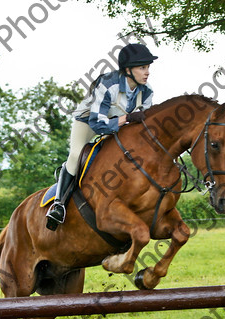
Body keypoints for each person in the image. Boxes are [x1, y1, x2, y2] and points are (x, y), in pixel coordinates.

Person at [46, 43, 158, 230]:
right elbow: (98, 124)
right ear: (128, 70)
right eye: (142, 68)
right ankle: (59, 205)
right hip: (88, 122)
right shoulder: (108, 84)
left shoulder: (146, 90)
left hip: (118, 123)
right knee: (76, 155)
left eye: (148, 67)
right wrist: (128, 117)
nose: (147, 72)